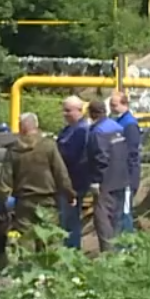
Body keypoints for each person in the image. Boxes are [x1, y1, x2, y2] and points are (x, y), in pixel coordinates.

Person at [0, 113, 75, 261]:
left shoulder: (13, 150)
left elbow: (4, 182)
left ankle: (28, 276)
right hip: (48, 201)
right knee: (50, 241)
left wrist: (1, 206)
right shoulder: (49, 146)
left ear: (20, 127)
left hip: (24, 203)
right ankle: (50, 276)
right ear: (36, 126)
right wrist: (69, 194)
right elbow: (60, 173)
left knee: (26, 242)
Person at [84, 99, 129, 252]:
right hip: (121, 179)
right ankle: (117, 254)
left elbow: (101, 158)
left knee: (102, 219)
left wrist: (96, 181)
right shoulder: (117, 127)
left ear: (91, 113)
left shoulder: (98, 132)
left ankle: (108, 255)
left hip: (106, 183)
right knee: (116, 218)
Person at [55, 96, 90, 250]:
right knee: (66, 219)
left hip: (74, 182)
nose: (64, 113)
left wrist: (54, 153)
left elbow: (70, 155)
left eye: (68, 110)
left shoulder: (82, 130)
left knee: (70, 220)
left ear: (79, 110)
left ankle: (72, 251)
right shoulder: (69, 129)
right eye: (64, 110)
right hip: (66, 181)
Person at [109, 91, 142, 234]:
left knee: (125, 211)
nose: (111, 108)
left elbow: (132, 153)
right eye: (110, 104)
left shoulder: (129, 124)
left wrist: (128, 178)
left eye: (114, 105)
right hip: (118, 176)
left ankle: (128, 246)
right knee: (118, 211)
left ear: (125, 104)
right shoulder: (117, 121)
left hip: (126, 177)